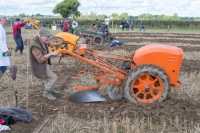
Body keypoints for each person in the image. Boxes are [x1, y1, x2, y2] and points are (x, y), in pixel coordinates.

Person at [28, 28, 59, 100]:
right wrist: (51, 53)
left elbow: (46, 43)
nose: (48, 38)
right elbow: (41, 59)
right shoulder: (35, 46)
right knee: (53, 77)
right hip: (38, 66)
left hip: (43, 64)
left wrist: (53, 44)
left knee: (46, 77)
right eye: (46, 37)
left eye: (49, 37)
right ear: (40, 36)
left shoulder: (41, 40)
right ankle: (46, 93)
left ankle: (50, 88)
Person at [0, 15, 11, 91]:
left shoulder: (1, 27)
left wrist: (6, 46)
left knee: (3, 66)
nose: (6, 22)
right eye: (5, 20)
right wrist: (6, 50)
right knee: (3, 67)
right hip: (1, 50)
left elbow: (2, 40)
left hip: (2, 50)